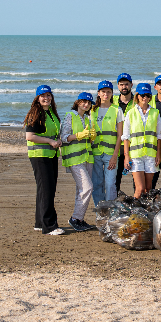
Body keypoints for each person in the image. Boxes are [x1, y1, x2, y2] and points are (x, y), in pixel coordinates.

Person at [24, 85, 64, 235]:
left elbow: (53, 133)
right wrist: (50, 142)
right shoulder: (36, 113)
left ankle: (39, 223)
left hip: (51, 155)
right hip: (39, 156)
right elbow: (30, 136)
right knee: (47, 190)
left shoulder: (51, 113)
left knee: (44, 190)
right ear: (37, 98)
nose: (46, 98)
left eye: (48, 95)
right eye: (43, 96)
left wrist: (57, 141)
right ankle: (50, 227)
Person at [60, 92, 96, 232]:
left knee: (81, 190)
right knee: (87, 188)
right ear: (77, 102)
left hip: (87, 157)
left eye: (88, 102)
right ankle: (75, 218)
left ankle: (79, 220)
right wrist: (78, 136)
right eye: (83, 101)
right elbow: (64, 137)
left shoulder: (87, 119)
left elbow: (88, 140)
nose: (86, 104)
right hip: (74, 158)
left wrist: (92, 137)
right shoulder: (70, 115)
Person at [122, 83, 161, 197]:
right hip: (136, 155)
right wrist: (126, 157)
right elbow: (126, 137)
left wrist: (158, 154)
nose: (145, 98)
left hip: (151, 155)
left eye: (148, 95)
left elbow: (159, 136)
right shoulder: (131, 113)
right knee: (140, 189)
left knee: (148, 189)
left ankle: (145, 213)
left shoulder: (155, 113)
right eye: (142, 95)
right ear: (137, 96)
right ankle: (134, 213)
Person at [90, 80, 124, 205]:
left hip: (111, 154)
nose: (106, 94)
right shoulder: (92, 110)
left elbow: (120, 135)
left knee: (110, 184)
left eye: (108, 92)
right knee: (97, 183)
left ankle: (111, 211)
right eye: (103, 91)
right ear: (98, 93)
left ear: (112, 93)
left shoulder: (117, 110)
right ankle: (100, 212)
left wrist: (115, 156)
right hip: (96, 153)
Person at [112, 73, 134, 193]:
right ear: (118, 86)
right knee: (115, 179)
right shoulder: (112, 101)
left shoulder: (138, 101)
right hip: (117, 146)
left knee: (137, 179)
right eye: (121, 84)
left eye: (126, 84)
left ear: (131, 84)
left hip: (134, 145)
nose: (124, 87)